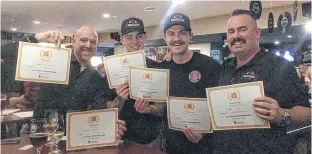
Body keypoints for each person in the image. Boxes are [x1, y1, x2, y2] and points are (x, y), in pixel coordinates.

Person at [214, 9, 311, 154]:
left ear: (257, 33)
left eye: (242, 30)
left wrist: (282, 115)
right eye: (231, 31)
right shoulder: (224, 68)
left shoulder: (279, 66)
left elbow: (307, 113)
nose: (236, 36)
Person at [134, 13, 221, 154]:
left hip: (205, 147)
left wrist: (204, 131)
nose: (177, 38)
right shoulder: (162, 70)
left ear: (190, 36)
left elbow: (220, 108)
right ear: (165, 37)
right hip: (171, 147)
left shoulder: (210, 66)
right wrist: (149, 109)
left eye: (182, 33)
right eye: (171, 33)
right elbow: (163, 109)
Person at [30, 27, 126, 138]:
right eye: (83, 40)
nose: (88, 45)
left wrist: (107, 126)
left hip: (78, 138)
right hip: (44, 134)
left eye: (93, 42)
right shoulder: (56, 62)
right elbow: (20, 53)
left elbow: (97, 110)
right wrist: (39, 37)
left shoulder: (97, 77)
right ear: (74, 42)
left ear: (97, 45)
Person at [106, 17, 163, 149]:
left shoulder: (157, 67)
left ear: (145, 38)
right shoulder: (112, 69)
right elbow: (106, 108)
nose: (135, 41)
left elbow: (163, 108)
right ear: (122, 39)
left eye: (139, 36)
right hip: (121, 137)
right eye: (129, 37)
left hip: (151, 139)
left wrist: (150, 109)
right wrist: (119, 98)